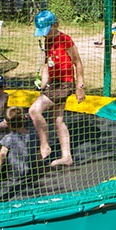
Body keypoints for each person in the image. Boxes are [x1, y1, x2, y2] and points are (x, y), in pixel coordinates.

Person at [29, 10, 85, 167]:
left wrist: (79, 86)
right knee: (58, 120)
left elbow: (78, 62)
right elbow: (47, 64)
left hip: (65, 83)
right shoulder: (48, 41)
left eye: (46, 31)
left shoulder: (65, 40)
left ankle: (44, 145)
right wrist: (44, 84)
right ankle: (67, 156)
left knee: (34, 110)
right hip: (54, 84)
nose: (45, 35)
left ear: (56, 25)